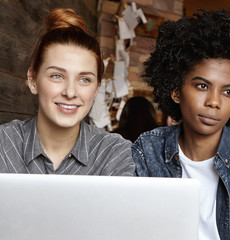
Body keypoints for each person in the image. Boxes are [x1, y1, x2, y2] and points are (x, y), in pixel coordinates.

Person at [132, 5, 230, 240]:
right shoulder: (148, 149)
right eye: (202, 86)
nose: (214, 102)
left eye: (228, 92)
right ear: (176, 91)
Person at [0, 8, 134, 176]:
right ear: (33, 80)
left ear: (96, 88)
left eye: (85, 79)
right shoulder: (3, 145)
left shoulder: (114, 154)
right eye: (57, 76)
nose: (70, 92)